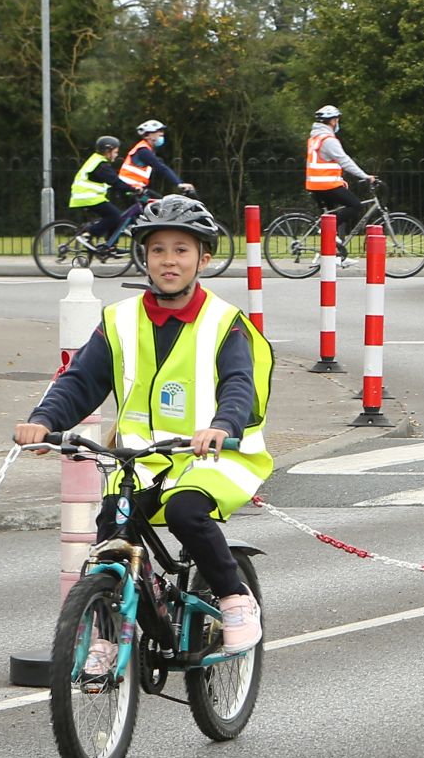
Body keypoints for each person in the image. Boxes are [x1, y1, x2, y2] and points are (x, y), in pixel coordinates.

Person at [15, 196, 275, 663]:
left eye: (181, 249)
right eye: (157, 250)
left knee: (186, 513)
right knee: (112, 529)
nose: (169, 260)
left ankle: (236, 600)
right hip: (141, 459)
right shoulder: (119, 320)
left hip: (214, 457)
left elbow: (240, 383)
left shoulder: (224, 322)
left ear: (204, 258)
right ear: (144, 257)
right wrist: (43, 422)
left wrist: (221, 425)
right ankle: (105, 634)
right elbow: (79, 381)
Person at [304, 105, 376, 253]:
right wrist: (365, 176)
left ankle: (333, 256)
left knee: (331, 219)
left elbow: (323, 163)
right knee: (356, 206)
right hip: (325, 185)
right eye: (337, 119)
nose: (337, 122)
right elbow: (345, 161)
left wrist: (338, 178)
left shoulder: (315, 138)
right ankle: (325, 230)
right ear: (332, 121)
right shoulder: (329, 140)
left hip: (316, 184)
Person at [69, 135, 129, 247]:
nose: (116, 155)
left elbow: (113, 182)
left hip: (88, 197)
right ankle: (88, 233)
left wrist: (128, 190)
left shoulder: (97, 160)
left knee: (116, 217)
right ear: (107, 151)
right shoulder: (101, 165)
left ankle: (110, 246)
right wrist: (133, 189)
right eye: (115, 152)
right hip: (87, 197)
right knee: (115, 216)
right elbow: (115, 181)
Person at [117, 119, 194, 198]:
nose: (162, 133)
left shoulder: (147, 149)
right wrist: (179, 183)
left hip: (135, 188)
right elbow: (160, 167)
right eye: (158, 131)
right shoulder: (143, 151)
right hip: (128, 188)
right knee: (159, 205)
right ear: (148, 135)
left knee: (157, 204)